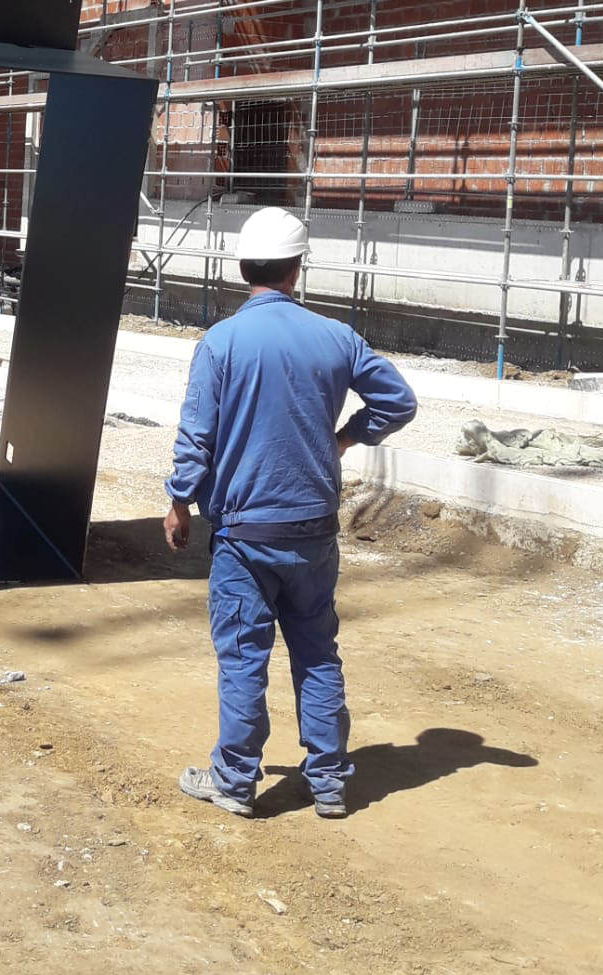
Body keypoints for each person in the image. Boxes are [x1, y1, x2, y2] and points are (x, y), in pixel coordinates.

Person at [164, 207, 417, 820]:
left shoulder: (221, 342)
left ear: (242, 268)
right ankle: (328, 781)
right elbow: (398, 401)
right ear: (296, 269)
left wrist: (178, 501)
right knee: (316, 651)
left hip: (244, 533)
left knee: (243, 658)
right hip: (313, 529)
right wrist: (346, 437)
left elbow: (197, 436)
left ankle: (234, 781)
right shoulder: (336, 337)